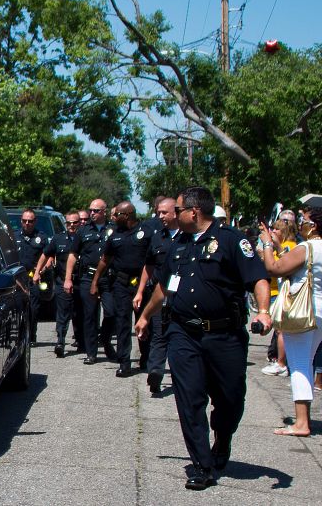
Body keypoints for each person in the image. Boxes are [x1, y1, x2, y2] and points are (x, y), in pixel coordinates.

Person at [134, 186, 272, 490]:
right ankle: (202, 465)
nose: (172, 216)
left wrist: (263, 310)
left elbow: (257, 277)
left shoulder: (232, 241)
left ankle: (222, 438)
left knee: (230, 398)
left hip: (224, 335)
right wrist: (145, 315)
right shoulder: (177, 245)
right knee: (189, 399)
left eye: (178, 209)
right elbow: (165, 286)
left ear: (194, 212)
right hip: (184, 333)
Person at [258, 209, 322, 437]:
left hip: (306, 312)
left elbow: (273, 268)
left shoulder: (308, 247)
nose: (301, 224)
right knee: (309, 360)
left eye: (304, 221)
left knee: (299, 364)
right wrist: (277, 247)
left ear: (313, 226)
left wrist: (266, 245)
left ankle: (302, 423)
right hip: (320, 313)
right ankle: (303, 418)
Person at [91, 201, 153, 377]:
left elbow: (152, 261)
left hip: (141, 284)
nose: (114, 217)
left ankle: (146, 357)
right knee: (122, 323)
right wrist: (95, 281)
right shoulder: (115, 235)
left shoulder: (146, 232)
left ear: (127, 215)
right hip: (121, 284)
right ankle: (124, 362)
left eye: (117, 214)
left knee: (143, 321)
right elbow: (105, 259)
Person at [133, 197, 180, 395]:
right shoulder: (157, 237)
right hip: (160, 293)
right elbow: (149, 266)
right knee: (158, 335)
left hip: (182, 296)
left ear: (175, 212)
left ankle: (181, 376)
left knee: (178, 337)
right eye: (158, 212)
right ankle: (156, 372)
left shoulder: (187, 236)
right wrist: (140, 291)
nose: (159, 216)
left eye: (164, 213)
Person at [64, 199, 116, 365]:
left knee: (111, 312)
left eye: (96, 211)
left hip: (108, 278)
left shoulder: (113, 229)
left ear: (104, 211)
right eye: (91, 210)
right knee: (89, 315)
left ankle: (106, 340)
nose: (92, 213)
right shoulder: (83, 231)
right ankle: (91, 352)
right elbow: (73, 254)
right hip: (87, 276)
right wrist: (68, 279)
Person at [34, 211, 79, 356]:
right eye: (69, 223)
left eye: (75, 223)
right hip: (61, 280)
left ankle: (83, 341)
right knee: (62, 312)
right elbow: (45, 254)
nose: (71, 226)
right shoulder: (58, 238)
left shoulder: (84, 238)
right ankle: (60, 341)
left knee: (82, 313)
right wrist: (37, 271)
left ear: (80, 223)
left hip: (81, 280)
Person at [259, 217, 299, 377]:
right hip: (275, 291)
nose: (273, 232)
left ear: (285, 232)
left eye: (277, 229)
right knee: (279, 330)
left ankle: (281, 363)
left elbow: (278, 267)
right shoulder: (282, 247)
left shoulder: (290, 246)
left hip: (283, 294)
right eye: (273, 229)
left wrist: (270, 247)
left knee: (281, 330)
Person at [15, 209, 47, 344]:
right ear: (21, 221)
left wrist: (41, 271)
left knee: (34, 308)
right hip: (18, 278)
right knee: (18, 308)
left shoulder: (42, 237)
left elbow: (49, 257)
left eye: (30, 221)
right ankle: (19, 336)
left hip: (34, 277)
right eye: (24, 221)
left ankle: (31, 335)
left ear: (35, 221)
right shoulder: (14, 236)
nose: (27, 223)